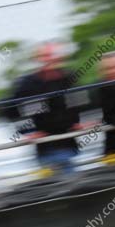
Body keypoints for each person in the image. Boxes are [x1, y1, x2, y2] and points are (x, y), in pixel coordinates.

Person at [7, 42, 81, 174]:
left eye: (53, 55)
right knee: (58, 180)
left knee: (70, 179)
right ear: (38, 59)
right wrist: (28, 131)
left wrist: (79, 122)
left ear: (61, 58)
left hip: (70, 142)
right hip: (45, 146)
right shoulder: (27, 84)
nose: (50, 59)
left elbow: (79, 103)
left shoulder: (69, 77)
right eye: (45, 56)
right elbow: (9, 109)